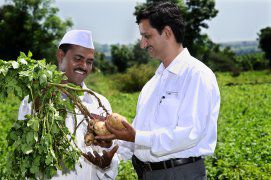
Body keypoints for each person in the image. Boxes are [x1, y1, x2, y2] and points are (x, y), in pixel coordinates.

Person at [91, 2, 221, 180]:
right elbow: (137, 137)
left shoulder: (196, 75)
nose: (142, 44)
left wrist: (137, 136)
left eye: (147, 36)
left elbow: (190, 133)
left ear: (167, 32)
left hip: (180, 173)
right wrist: (110, 140)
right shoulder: (152, 84)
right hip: (147, 174)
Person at [18, 30, 119, 180]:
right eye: (78, 59)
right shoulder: (34, 100)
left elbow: (111, 151)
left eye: (89, 62)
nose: (84, 66)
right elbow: (25, 152)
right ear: (61, 56)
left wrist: (107, 164)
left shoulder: (100, 103)